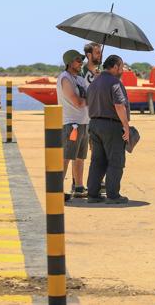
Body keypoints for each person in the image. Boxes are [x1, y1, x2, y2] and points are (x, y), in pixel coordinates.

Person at [86, 55, 131, 204]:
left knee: (97, 161)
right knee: (115, 161)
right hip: (111, 126)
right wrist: (125, 126)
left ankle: (92, 194)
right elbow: (119, 105)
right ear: (115, 66)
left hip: (94, 124)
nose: (122, 70)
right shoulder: (115, 82)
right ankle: (113, 195)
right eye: (121, 66)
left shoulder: (94, 82)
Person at [58, 49, 90, 201]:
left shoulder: (79, 79)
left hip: (83, 122)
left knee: (79, 157)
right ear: (70, 62)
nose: (81, 62)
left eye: (81, 59)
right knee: (66, 156)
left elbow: (88, 96)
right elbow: (77, 102)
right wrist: (90, 101)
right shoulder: (65, 79)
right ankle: (57, 189)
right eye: (78, 60)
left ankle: (78, 187)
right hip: (71, 124)